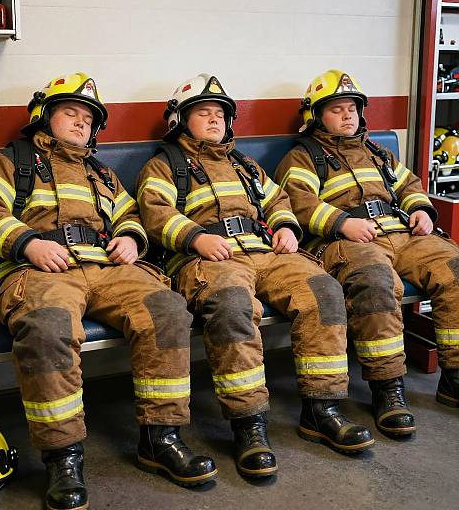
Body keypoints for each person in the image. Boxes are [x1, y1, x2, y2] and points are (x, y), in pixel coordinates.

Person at [0, 72, 217, 509]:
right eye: (71, 113)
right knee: (47, 327)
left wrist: (130, 239)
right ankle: (63, 457)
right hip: (39, 269)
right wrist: (30, 243)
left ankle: (161, 438)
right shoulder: (11, 163)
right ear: (44, 116)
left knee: (167, 309)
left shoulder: (100, 173)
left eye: (88, 118)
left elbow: (130, 215)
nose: (82, 123)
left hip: (105, 269)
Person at [136, 73, 374, 477]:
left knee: (324, 291)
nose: (214, 120)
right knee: (232, 305)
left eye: (220, 114)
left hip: (265, 251)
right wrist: (196, 239)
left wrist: (284, 227)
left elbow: (278, 200)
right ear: (179, 120)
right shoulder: (164, 165)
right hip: (208, 259)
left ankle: (322, 410)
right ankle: (249, 426)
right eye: (203, 113)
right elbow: (156, 213)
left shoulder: (244, 164)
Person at [275, 69, 459, 438]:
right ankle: (388, 390)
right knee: (376, 282)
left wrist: (421, 210)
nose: (348, 115)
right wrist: (342, 223)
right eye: (337, 109)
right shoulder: (304, 157)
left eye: (352, 108)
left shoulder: (379, 152)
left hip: (401, 232)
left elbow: (408, 185)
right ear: (315, 116)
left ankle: (453, 378)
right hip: (346, 242)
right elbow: (299, 202)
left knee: (454, 268)